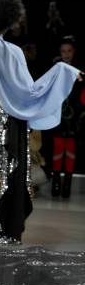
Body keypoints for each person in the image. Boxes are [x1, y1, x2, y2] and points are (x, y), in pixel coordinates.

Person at [0, 0, 82, 244]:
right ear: (8, 18)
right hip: (10, 120)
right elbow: (28, 91)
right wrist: (62, 71)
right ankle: (7, 232)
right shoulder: (11, 51)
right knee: (11, 176)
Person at [50, 37, 85, 197]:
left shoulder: (80, 71)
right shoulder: (56, 68)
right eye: (63, 51)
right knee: (58, 148)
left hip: (74, 116)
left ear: (74, 52)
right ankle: (56, 184)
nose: (66, 54)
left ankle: (67, 187)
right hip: (58, 114)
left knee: (70, 149)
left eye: (69, 51)